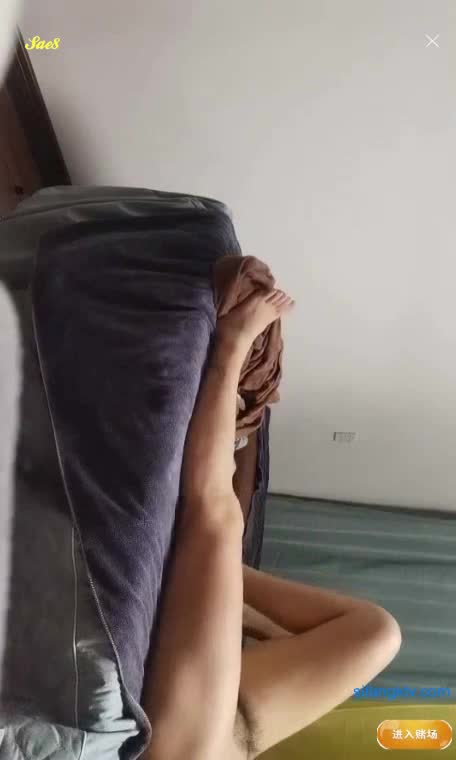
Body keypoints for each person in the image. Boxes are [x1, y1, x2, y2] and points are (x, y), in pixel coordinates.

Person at [141, 288, 402, 760]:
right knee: (378, 634)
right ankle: (218, 577)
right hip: (243, 742)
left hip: (193, 752)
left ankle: (230, 343)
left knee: (219, 518)